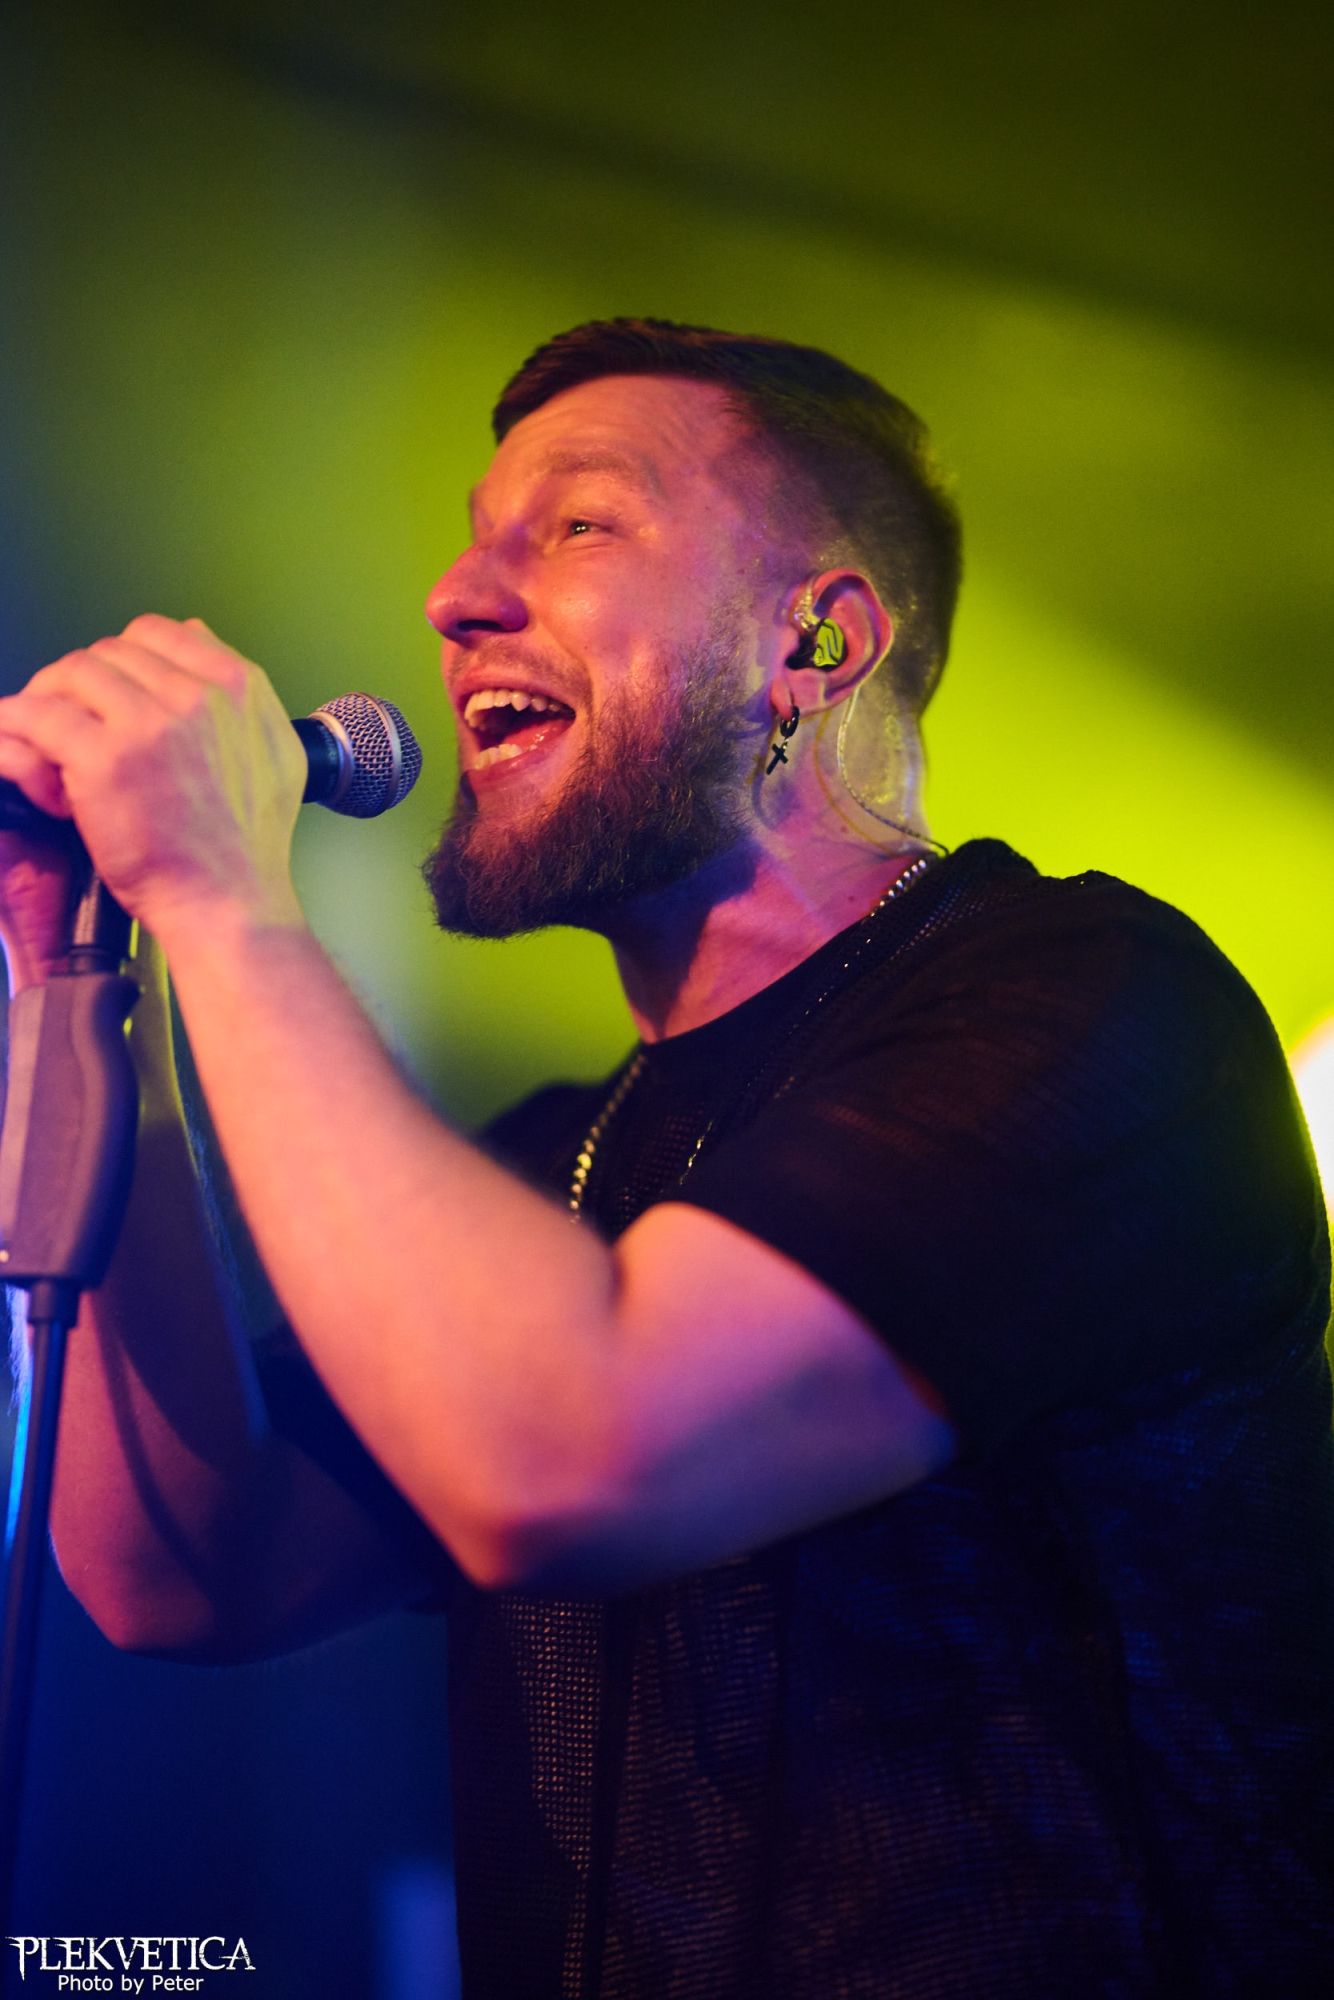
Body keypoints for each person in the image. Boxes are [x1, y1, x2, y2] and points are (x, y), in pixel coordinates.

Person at [0, 319, 1330, 1998]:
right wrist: (85, 984)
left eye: (576, 524)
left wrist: (220, 889)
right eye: (470, 539)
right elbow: (187, 1568)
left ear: (815, 642)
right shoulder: (557, 1165)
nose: (453, 599)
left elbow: (566, 1458)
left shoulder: (1084, 1006)